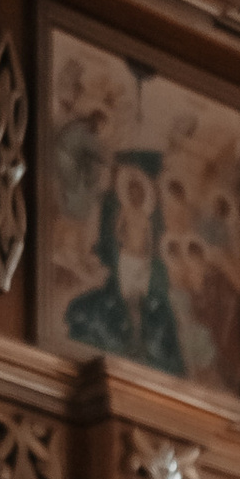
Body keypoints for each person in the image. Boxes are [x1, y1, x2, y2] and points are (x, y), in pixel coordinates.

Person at [63, 151, 184, 372]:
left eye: (140, 193)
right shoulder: (124, 211)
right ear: (128, 193)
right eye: (133, 192)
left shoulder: (146, 216)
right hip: (127, 256)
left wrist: (147, 253)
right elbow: (118, 230)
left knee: (141, 298)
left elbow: (149, 238)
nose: (136, 196)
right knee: (125, 297)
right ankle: (128, 334)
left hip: (141, 259)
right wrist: (121, 244)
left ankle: (139, 336)